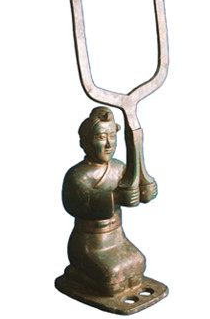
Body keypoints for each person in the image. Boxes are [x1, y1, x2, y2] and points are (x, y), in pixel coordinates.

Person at [61, 106, 146, 296]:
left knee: (137, 265)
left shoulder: (119, 168)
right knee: (112, 281)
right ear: (86, 141)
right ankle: (75, 274)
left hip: (117, 238)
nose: (109, 144)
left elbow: (136, 185)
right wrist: (116, 197)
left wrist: (145, 188)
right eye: (101, 137)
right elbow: (75, 202)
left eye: (112, 136)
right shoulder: (78, 175)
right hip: (89, 244)